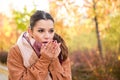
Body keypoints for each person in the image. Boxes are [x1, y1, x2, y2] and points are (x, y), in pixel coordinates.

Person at [7, 10, 71, 80]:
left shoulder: (60, 49)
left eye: (51, 31)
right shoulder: (17, 50)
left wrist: (54, 58)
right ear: (30, 32)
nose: (47, 36)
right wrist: (45, 59)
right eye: (41, 31)